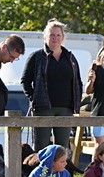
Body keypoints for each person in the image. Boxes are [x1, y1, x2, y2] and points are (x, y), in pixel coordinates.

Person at [21, 20, 84, 151]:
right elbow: (25, 81)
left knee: (62, 149)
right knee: (41, 147)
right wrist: (34, 99)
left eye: (58, 35)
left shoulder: (70, 58)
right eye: (52, 35)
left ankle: (62, 166)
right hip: (43, 109)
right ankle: (41, 166)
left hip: (65, 109)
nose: (55, 38)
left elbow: (78, 82)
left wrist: (76, 105)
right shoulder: (37, 57)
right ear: (45, 37)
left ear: (63, 38)